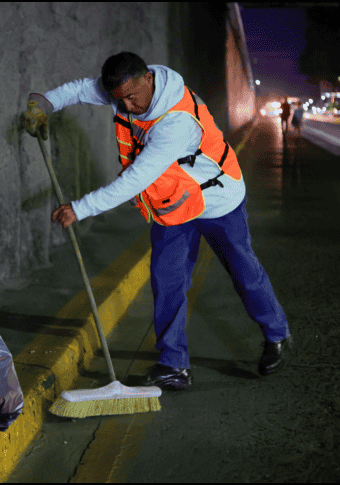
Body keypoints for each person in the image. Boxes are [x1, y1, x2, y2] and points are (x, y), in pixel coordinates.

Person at [21, 52, 292, 391]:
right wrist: (45, 103)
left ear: (148, 78)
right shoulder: (125, 88)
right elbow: (79, 90)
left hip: (217, 200)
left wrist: (81, 207)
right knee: (168, 282)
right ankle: (173, 365)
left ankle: (277, 335)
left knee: (244, 273)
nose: (128, 107)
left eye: (133, 98)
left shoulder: (175, 122)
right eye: (120, 100)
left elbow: (137, 178)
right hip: (175, 203)